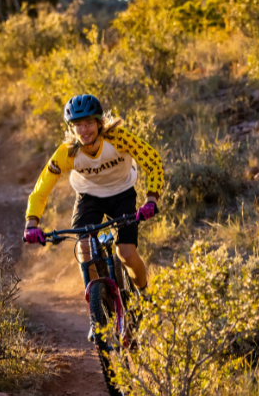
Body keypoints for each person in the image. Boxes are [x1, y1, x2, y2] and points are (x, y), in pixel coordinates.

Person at [23, 94, 163, 340]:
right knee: (85, 247)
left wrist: (151, 199)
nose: (83, 129)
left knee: (126, 253)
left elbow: (151, 161)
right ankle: (96, 310)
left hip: (122, 193)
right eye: (77, 125)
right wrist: (31, 223)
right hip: (89, 197)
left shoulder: (118, 139)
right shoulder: (67, 152)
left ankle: (143, 293)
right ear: (71, 127)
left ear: (99, 123)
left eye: (88, 123)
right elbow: (42, 187)